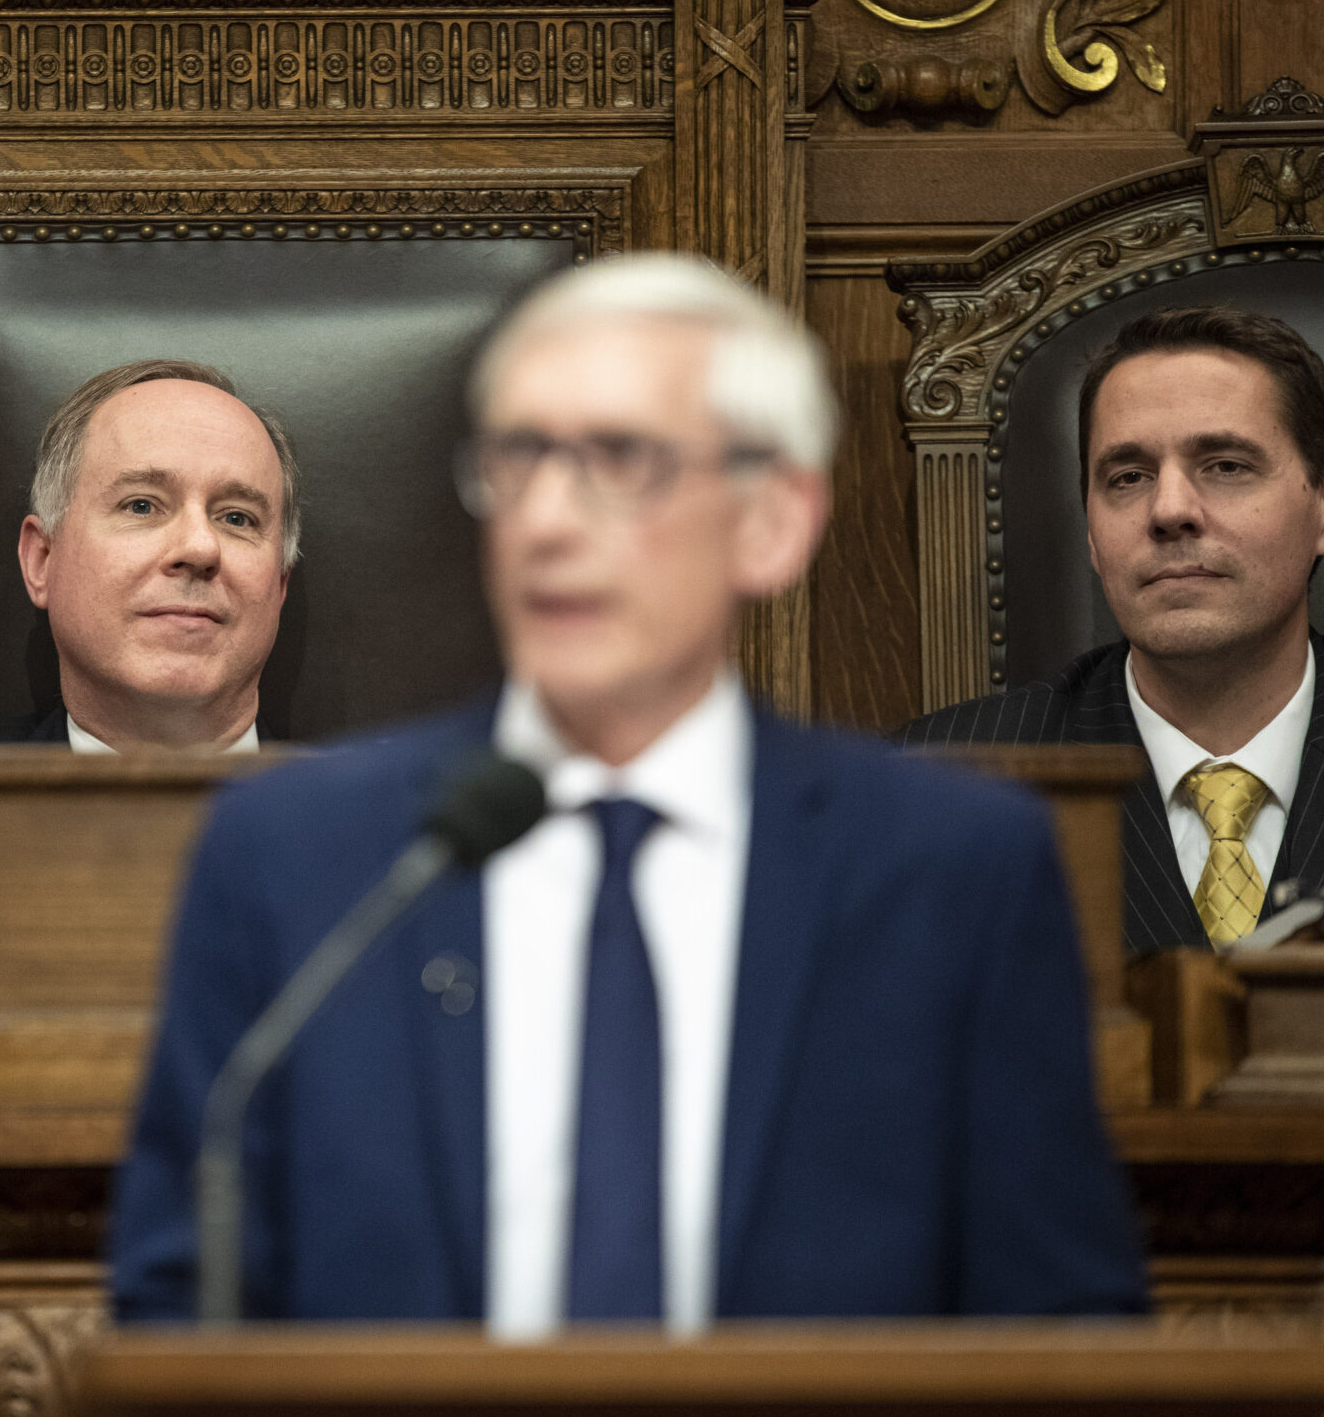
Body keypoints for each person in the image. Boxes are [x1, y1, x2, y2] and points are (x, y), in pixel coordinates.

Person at [110, 253, 1146, 1328]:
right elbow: (180, 1310)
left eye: (619, 460)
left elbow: (1063, 1325)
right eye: (520, 461)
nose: (549, 521)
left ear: (772, 520)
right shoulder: (297, 859)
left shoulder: (952, 873)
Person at [896, 306, 1324, 953]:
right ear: (1092, 533)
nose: (1168, 510)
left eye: (1225, 466)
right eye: (1128, 478)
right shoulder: (936, 786)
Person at [0, 360, 298, 752]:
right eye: (142, 506)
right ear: (41, 561)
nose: (200, 548)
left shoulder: (376, 812)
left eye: (237, 518)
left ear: (281, 581)